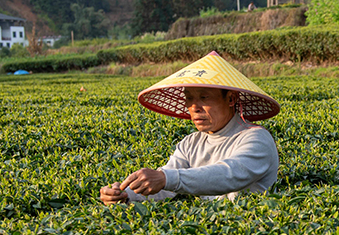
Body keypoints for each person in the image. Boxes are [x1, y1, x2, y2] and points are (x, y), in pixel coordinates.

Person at [100, 51, 280, 205]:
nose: (194, 107)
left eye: (204, 98)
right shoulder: (190, 143)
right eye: (189, 99)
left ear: (231, 99)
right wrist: (125, 194)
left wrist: (166, 178)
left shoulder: (256, 138)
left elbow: (229, 174)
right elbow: (166, 187)